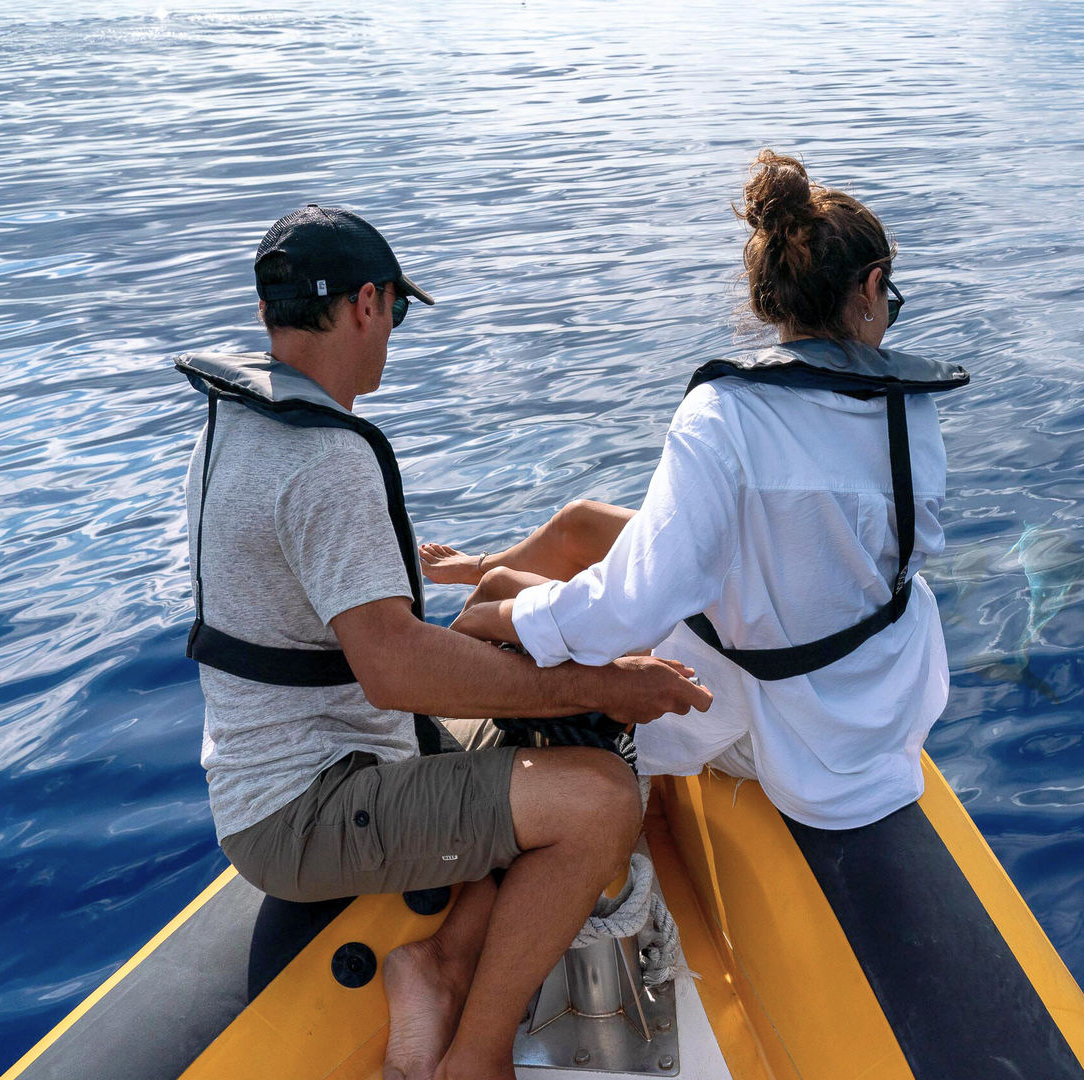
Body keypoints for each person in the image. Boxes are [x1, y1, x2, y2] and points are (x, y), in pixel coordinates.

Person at [175, 205, 711, 1080]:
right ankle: (476, 1058)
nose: (393, 333)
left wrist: (552, 672)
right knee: (601, 801)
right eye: (397, 313)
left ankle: (443, 966)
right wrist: (601, 685)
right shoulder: (325, 460)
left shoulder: (236, 422)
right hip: (304, 809)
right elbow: (395, 669)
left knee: (538, 711)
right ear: (368, 305)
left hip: (302, 767)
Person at [440, 151, 967, 832]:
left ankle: (492, 589)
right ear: (869, 288)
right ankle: (499, 576)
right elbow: (904, 550)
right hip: (887, 708)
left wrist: (519, 617)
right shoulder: (909, 412)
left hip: (785, 734)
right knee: (599, 530)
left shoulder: (725, 412)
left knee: (510, 605)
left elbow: (632, 607)